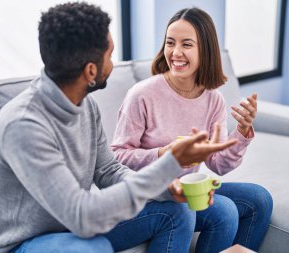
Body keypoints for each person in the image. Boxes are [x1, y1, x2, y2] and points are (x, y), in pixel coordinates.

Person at [0, 3, 237, 253]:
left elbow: (108, 170)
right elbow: (82, 215)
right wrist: (170, 162)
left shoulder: (85, 105)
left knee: (177, 211)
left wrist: (167, 189)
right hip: (26, 241)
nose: (113, 65)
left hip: (71, 225)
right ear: (91, 70)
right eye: (110, 55)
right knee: (95, 248)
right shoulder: (23, 125)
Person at [111, 7, 273, 253]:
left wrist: (242, 130)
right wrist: (163, 153)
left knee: (259, 199)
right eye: (170, 43)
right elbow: (118, 155)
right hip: (148, 194)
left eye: (187, 44)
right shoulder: (142, 95)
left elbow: (219, 165)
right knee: (225, 212)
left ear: (205, 49)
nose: (175, 52)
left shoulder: (213, 99)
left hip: (186, 189)